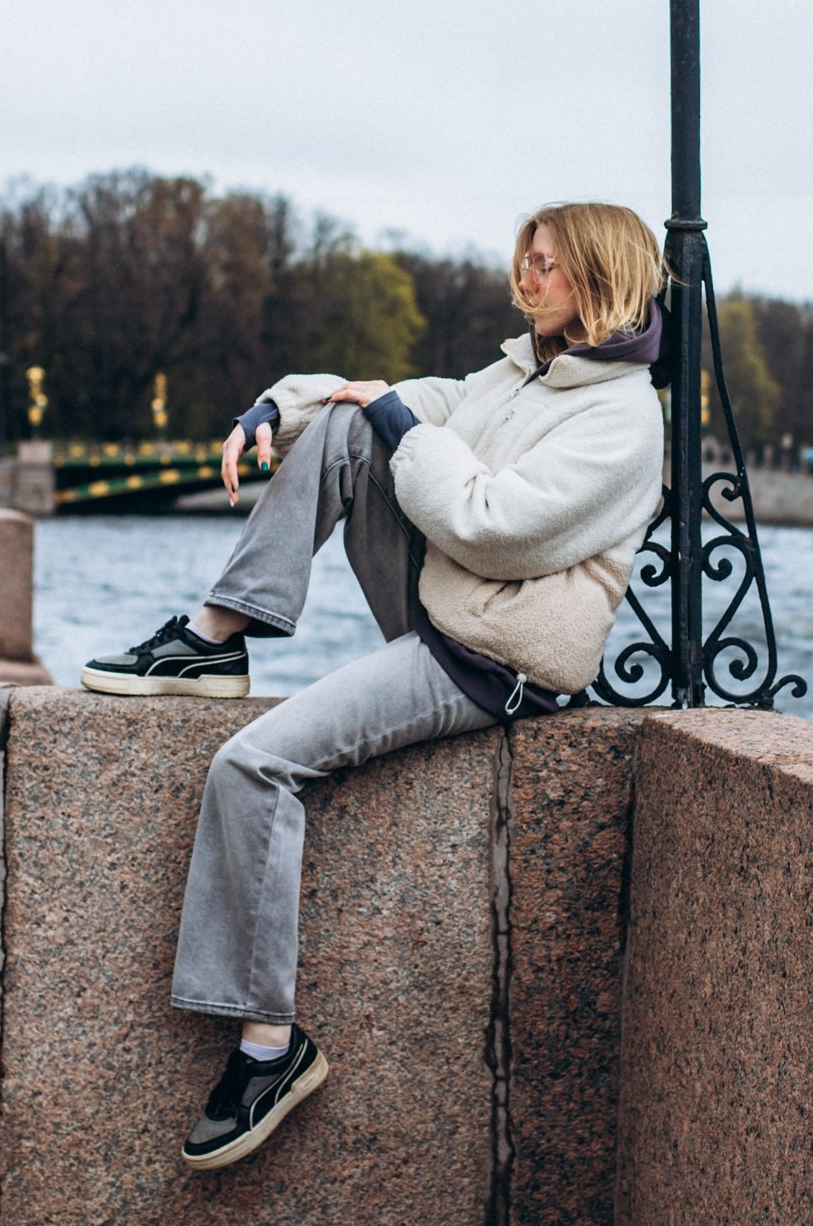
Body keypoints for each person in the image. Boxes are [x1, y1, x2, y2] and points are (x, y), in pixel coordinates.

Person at [80, 201, 667, 1172]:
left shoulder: (623, 419)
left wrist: (396, 417)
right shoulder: (524, 369)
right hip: (443, 607)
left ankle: (269, 1048)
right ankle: (217, 634)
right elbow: (396, 401)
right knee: (354, 425)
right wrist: (277, 410)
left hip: (491, 660)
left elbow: (490, 525)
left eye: (548, 265)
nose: (527, 279)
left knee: (253, 765)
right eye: (526, 260)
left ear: (602, 276)